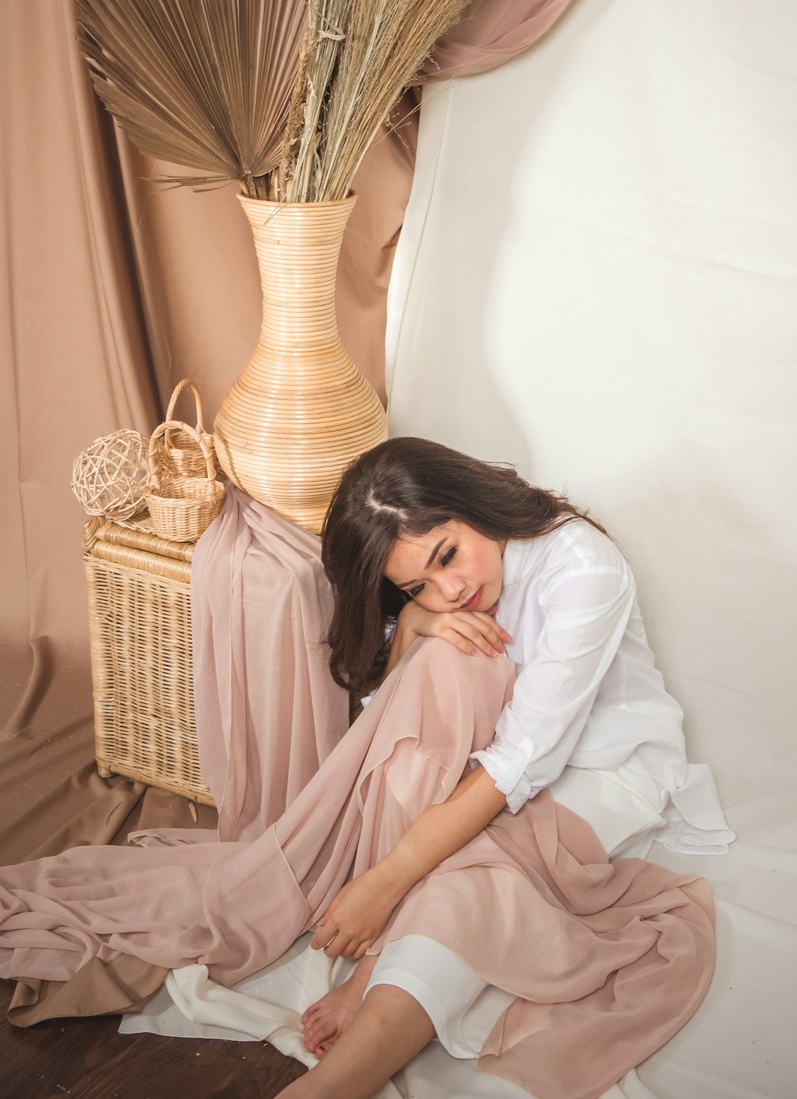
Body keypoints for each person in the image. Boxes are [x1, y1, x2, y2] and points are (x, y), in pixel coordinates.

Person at [282, 436, 733, 1097]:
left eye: (447, 556)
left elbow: (520, 765)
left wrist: (388, 880)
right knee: (441, 678)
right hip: (491, 764)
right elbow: (390, 712)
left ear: (470, 507)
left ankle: (336, 1077)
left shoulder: (583, 568)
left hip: (604, 769)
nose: (452, 589)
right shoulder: (444, 599)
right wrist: (413, 625)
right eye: (419, 585)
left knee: (473, 880)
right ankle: (383, 966)